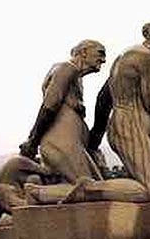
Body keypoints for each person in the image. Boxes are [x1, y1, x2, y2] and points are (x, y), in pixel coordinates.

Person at [87, 19, 150, 202]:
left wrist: (96, 136)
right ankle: (88, 189)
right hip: (128, 125)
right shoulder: (145, 56)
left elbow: (104, 97)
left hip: (126, 124)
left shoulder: (129, 55)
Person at [19, 39, 107, 183]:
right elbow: (49, 106)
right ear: (84, 52)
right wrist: (33, 141)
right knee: (88, 189)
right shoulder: (67, 68)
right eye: (100, 53)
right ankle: (35, 192)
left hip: (72, 144)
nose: (103, 60)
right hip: (61, 143)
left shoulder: (75, 76)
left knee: (96, 188)